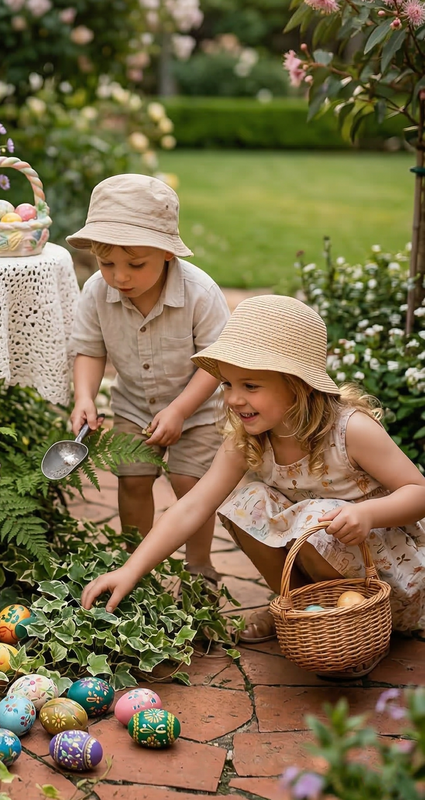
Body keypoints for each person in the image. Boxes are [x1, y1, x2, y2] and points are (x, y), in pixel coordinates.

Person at [81, 295, 425, 646]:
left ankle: (351, 625)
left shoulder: (351, 430)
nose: (232, 399)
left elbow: (419, 493)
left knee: (317, 518)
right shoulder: (250, 438)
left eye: (250, 386)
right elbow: (192, 506)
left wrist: (367, 512)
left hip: (391, 582)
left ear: (298, 385)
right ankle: (298, 606)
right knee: (246, 502)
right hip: (323, 556)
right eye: (228, 384)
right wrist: (130, 570)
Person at [66, 174, 230, 586]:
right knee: (132, 481)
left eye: (135, 264)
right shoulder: (95, 293)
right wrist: (84, 396)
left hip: (198, 408)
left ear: (168, 254)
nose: (120, 276)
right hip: (133, 406)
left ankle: (199, 568)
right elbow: (90, 349)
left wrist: (179, 410)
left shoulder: (200, 293)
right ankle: (135, 567)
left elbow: (216, 363)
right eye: (107, 264)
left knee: (190, 484)